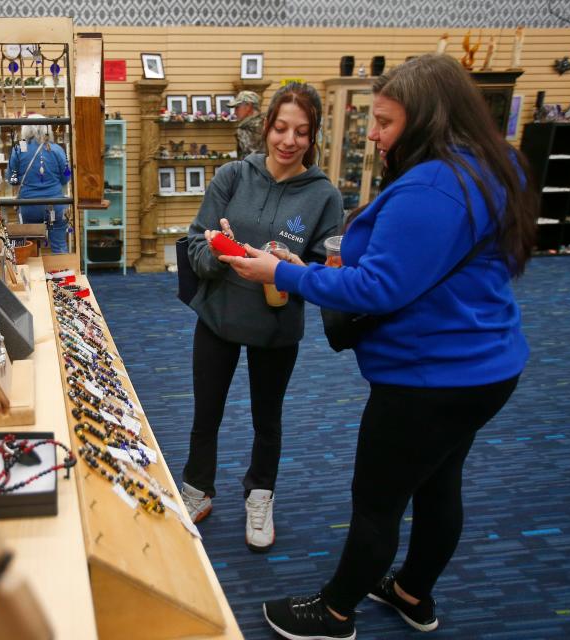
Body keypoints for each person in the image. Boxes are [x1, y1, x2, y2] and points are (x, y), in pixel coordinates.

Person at [220, 54, 535, 639]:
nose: (376, 135)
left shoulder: (435, 185)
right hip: (485, 363)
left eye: (386, 122)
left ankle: (335, 612)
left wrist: (280, 274)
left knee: (377, 500)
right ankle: (413, 593)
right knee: (440, 483)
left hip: (430, 377)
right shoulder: (490, 165)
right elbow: (428, 264)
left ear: (427, 119)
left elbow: (380, 289)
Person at [181, 83, 343, 552]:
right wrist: (221, 253)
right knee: (205, 413)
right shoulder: (233, 176)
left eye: (301, 132)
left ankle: (260, 493)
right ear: (266, 127)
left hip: (277, 326)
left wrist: (289, 268)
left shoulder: (324, 197)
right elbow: (196, 243)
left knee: (267, 419)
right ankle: (197, 488)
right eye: (280, 128)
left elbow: (324, 272)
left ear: (313, 138)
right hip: (218, 317)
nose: (288, 141)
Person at [7, 113, 71, 253]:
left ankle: (32, 274)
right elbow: (67, 176)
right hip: (55, 205)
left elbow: (12, 180)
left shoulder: (19, 149)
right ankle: (63, 273)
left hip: (29, 205)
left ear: (25, 129)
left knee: (30, 247)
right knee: (59, 246)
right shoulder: (57, 150)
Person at [228, 90, 264, 158]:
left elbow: (249, 159)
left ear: (248, 106)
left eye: (237, 108)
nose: (235, 113)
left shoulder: (244, 129)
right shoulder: (267, 123)